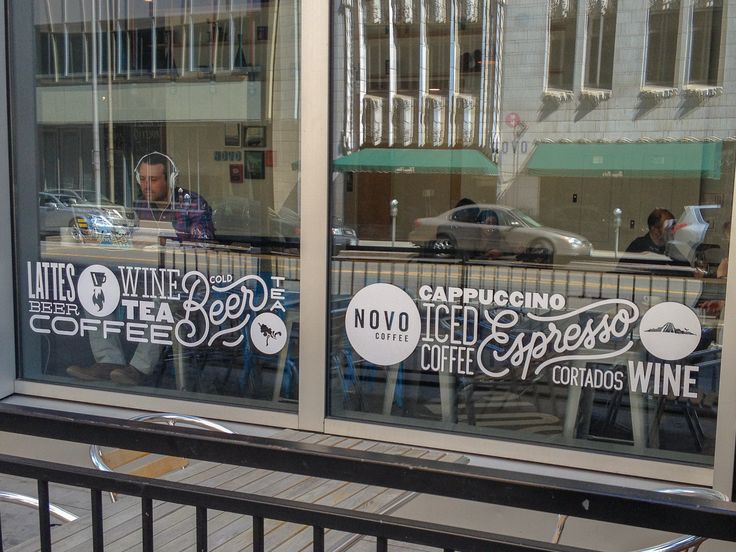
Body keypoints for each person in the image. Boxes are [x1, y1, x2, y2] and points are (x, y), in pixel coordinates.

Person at [66, 152, 215, 385]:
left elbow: (205, 244)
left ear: (171, 179)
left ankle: (138, 369)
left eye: (153, 179)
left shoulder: (193, 204)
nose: (146, 185)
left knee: (162, 297)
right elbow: (129, 237)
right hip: (144, 277)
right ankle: (109, 361)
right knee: (96, 285)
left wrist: (165, 241)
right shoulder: (140, 203)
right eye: (142, 179)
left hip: (185, 283)